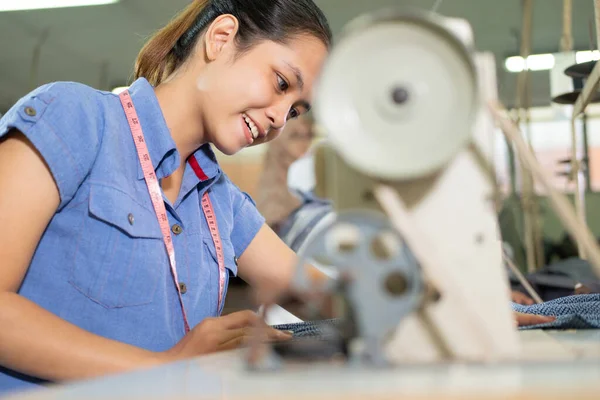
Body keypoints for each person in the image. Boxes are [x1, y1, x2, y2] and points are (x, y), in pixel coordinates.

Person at [0, 0, 331, 394]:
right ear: (221, 38)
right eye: (280, 83)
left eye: (295, 111)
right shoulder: (76, 119)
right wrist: (163, 369)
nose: (279, 118)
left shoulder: (223, 203)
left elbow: (334, 300)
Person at [256, 116, 557, 312]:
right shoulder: (294, 208)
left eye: (308, 134)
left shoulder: (325, 192)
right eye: (296, 135)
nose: (305, 141)